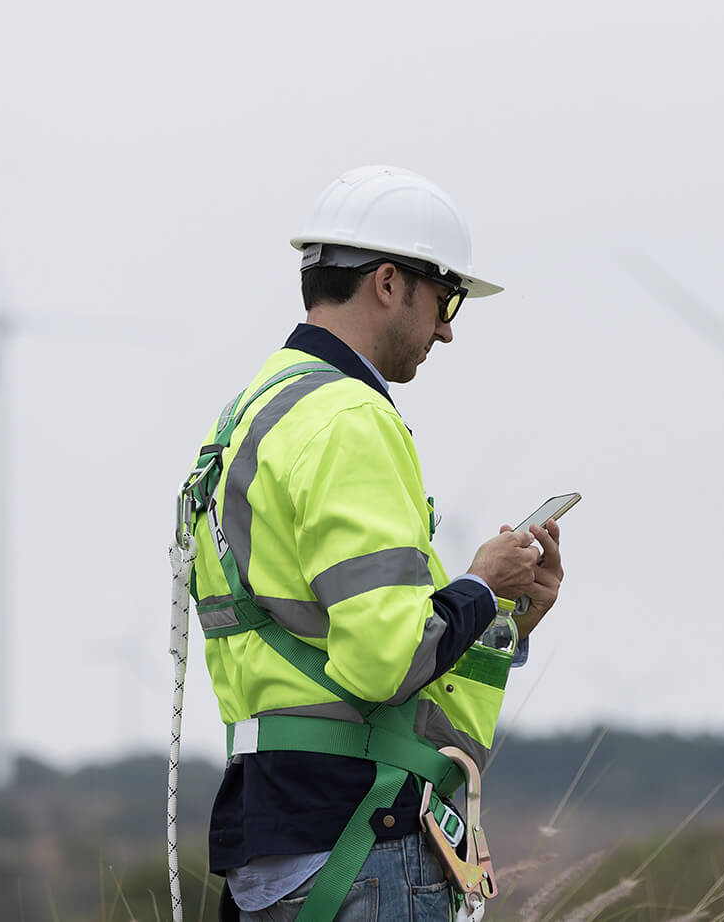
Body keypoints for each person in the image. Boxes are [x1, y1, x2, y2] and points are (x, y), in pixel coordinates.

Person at [183, 165, 565, 921]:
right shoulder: (349, 418)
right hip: (361, 837)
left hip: (276, 838)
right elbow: (384, 658)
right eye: (446, 297)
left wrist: (503, 622)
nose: (448, 327)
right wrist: (482, 582)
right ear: (389, 283)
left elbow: (321, 644)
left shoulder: (251, 413)